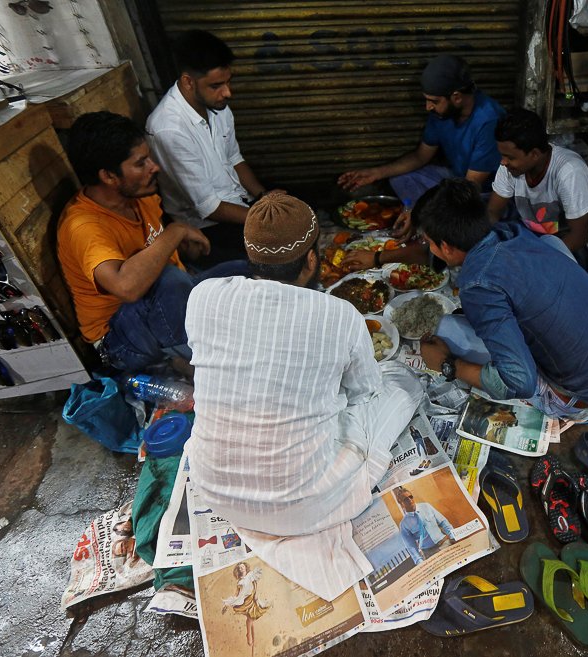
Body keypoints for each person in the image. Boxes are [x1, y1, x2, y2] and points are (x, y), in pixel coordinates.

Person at [184, 193, 425, 601]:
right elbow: (364, 390)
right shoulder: (338, 315)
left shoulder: (203, 295)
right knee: (398, 383)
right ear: (311, 260)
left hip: (215, 489)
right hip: (303, 504)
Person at [413, 179, 588, 419]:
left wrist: (448, 365)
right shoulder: (512, 233)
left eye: (429, 243)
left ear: (445, 247)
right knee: (551, 242)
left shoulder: (477, 284)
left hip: (582, 393)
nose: (430, 249)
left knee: (449, 329)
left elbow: (519, 382)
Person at [57, 111, 247, 372]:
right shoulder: (84, 226)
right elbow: (127, 287)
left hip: (161, 310)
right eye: (141, 162)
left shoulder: (139, 196)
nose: (153, 166)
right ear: (109, 177)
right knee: (170, 280)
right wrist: (176, 232)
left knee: (244, 269)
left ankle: (210, 350)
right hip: (121, 340)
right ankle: (205, 369)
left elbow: (155, 251)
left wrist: (182, 249)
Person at [146, 30, 280, 264]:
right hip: (209, 227)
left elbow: (235, 159)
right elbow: (210, 208)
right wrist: (263, 217)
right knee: (282, 253)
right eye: (217, 85)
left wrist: (264, 197)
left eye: (228, 82)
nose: (227, 92)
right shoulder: (169, 130)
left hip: (239, 203)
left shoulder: (219, 108)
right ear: (188, 81)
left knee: (299, 216)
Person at [338, 54, 505, 210]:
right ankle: (423, 214)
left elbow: (471, 185)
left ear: (457, 97)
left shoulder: (488, 120)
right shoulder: (442, 112)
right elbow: (421, 157)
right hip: (455, 179)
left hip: (482, 193)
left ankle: (425, 217)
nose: (428, 107)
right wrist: (376, 173)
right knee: (400, 178)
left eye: (433, 101)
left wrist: (420, 210)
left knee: (458, 209)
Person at [487, 108, 588, 264]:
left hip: (567, 245)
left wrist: (534, 260)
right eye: (502, 155)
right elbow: (493, 211)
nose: (503, 162)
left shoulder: (569, 173)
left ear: (534, 154)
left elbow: (579, 237)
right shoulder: (509, 167)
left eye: (509, 157)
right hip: (531, 235)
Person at [393, 486, 456, 564]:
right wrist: (419, 561)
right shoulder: (404, 524)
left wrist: (453, 536)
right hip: (429, 553)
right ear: (401, 503)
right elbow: (411, 546)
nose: (410, 500)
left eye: (410, 497)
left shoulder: (426, 506)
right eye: (406, 499)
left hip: (444, 544)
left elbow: (443, 522)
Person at [222, 561, 269, 657]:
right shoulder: (240, 582)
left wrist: (256, 595)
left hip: (252, 599)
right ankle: (249, 635)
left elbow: (255, 585)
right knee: (250, 619)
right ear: (238, 570)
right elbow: (237, 594)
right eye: (239, 568)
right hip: (245, 601)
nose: (241, 569)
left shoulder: (251, 576)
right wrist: (229, 603)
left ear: (245, 568)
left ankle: (251, 637)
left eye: (242, 567)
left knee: (251, 618)